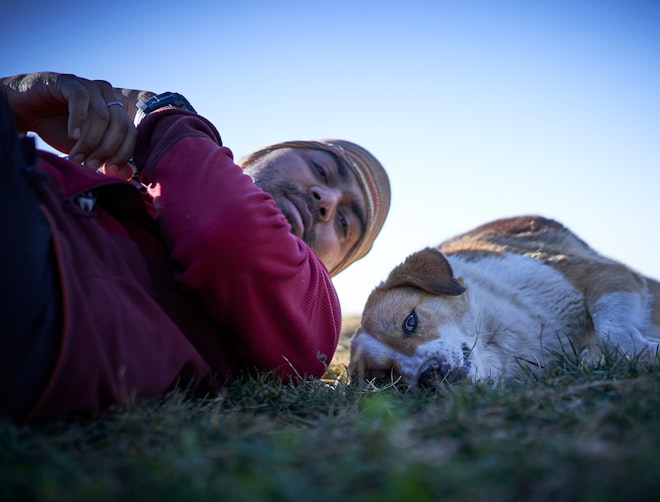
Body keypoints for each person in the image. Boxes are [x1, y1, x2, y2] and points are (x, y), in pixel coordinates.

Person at [0, 72, 390, 424]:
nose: (326, 201)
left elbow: (229, 230)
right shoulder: (137, 186)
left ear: (334, 267)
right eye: (321, 170)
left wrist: (163, 113)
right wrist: (17, 105)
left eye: (344, 223)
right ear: (257, 157)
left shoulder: (314, 310)